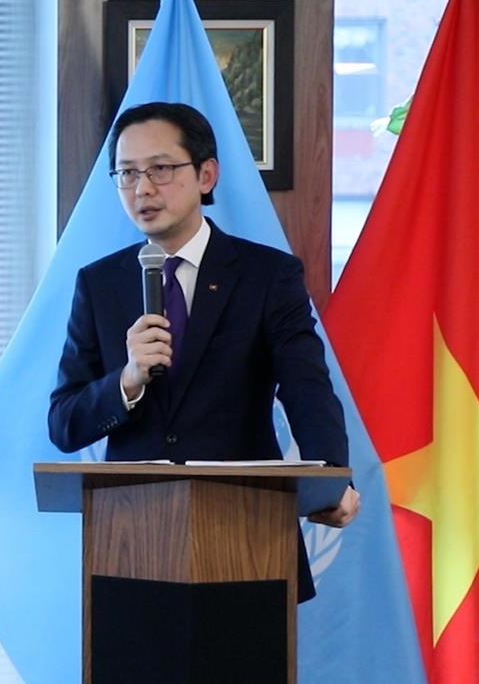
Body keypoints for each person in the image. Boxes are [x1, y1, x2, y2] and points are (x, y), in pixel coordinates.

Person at [47, 101, 359, 601]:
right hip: (130, 544)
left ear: (206, 175)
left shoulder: (267, 275)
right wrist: (127, 380)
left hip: (248, 533)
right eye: (127, 173)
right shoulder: (100, 283)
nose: (142, 188)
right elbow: (64, 424)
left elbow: (307, 388)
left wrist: (331, 479)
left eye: (160, 169)